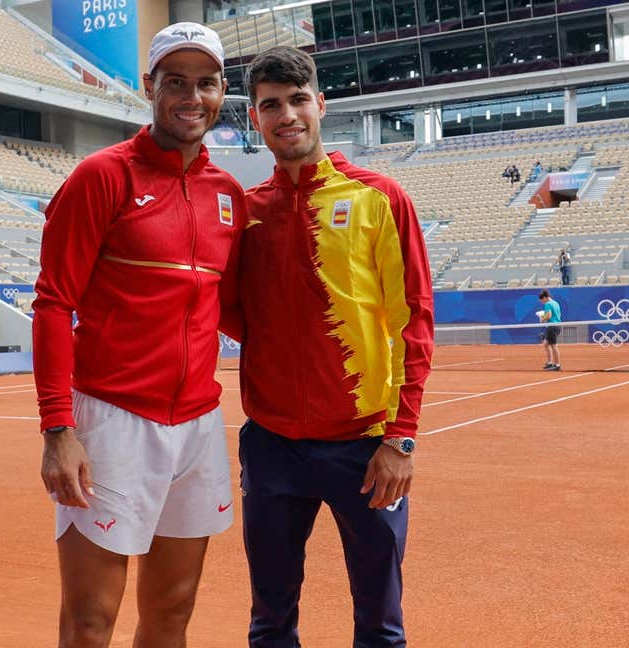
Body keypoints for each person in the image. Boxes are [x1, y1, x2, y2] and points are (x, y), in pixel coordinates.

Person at [32, 23, 244, 648]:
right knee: (90, 622)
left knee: (173, 612)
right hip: (111, 421)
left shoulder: (227, 194)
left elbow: (231, 310)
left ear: (221, 91)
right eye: (174, 81)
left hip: (198, 426)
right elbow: (52, 306)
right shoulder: (101, 176)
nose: (191, 96)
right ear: (148, 86)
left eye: (205, 83)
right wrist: (57, 431)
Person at [234, 45, 435, 647]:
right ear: (255, 118)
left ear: (320, 105)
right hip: (271, 445)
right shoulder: (247, 213)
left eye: (297, 100)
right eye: (270, 105)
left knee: (379, 620)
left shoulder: (379, 197)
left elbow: (415, 321)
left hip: (366, 445)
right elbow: (232, 315)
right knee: (270, 620)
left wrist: (400, 437)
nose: (286, 115)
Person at [539, 289, 562, 371]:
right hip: (557, 326)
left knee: (554, 346)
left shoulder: (548, 304)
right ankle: (549, 363)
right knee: (545, 344)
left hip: (552, 326)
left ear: (545, 298)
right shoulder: (556, 303)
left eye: (542, 300)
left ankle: (557, 365)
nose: (542, 302)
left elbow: (548, 316)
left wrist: (542, 318)